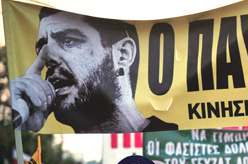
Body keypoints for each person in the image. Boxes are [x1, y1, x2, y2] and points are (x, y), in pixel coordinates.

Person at [11, 8, 178, 133]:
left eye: (68, 40)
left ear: (123, 54)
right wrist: (21, 127)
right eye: (41, 49)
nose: (48, 59)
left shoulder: (177, 143)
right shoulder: (67, 156)